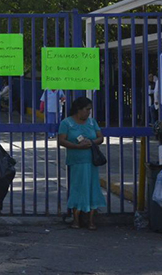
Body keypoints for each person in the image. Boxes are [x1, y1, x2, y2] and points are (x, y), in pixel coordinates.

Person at [58, 96, 106, 230]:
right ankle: (76, 220)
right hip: (76, 161)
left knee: (92, 188)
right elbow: (61, 140)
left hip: (91, 161)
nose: (88, 112)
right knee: (78, 188)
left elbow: (100, 137)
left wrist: (91, 142)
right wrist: (77, 146)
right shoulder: (67, 123)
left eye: (90, 110)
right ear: (78, 109)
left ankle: (91, 220)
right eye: (87, 109)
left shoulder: (92, 122)